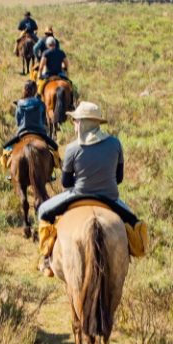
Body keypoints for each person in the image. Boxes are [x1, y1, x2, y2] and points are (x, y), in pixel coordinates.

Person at [36, 101, 133, 273]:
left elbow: (66, 183)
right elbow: (119, 178)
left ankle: (46, 256)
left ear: (81, 123)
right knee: (133, 221)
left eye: (75, 121)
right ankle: (129, 252)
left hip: (78, 195)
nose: (74, 124)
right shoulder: (115, 143)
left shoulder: (72, 148)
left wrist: (83, 180)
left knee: (43, 210)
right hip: (110, 197)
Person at [1, 81, 60, 180]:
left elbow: (18, 122)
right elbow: (43, 121)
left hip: (22, 133)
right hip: (39, 133)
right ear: (35, 91)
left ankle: (11, 172)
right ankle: (51, 172)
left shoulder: (19, 104)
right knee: (55, 148)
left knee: (5, 149)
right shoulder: (41, 104)